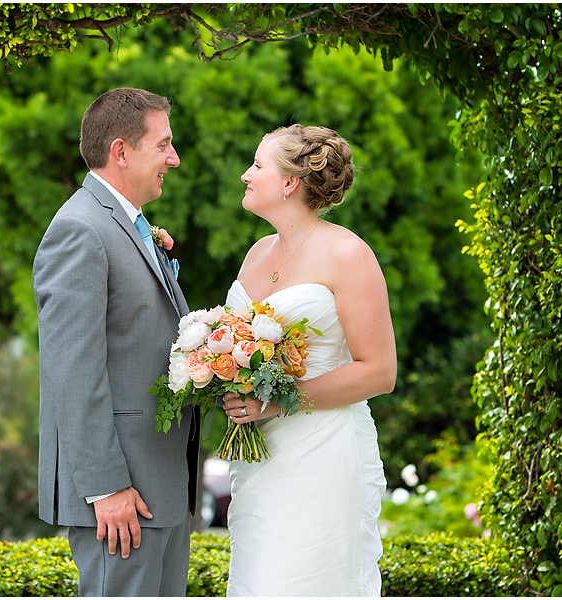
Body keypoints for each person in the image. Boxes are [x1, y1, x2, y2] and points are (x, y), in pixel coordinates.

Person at [33, 87, 198, 597]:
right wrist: (106, 488)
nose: (174, 157)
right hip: (122, 495)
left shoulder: (127, 224)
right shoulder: (79, 230)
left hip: (159, 483)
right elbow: (72, 372)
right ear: (121, 151)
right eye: (163, 145)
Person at [221, 124, 396, 596]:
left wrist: (280, 401)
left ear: (289, 183)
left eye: (257, 165)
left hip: (323, 454)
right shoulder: (256, 255)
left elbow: (379, 371)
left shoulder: (347, 254)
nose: (245, 175)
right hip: (259, 461)